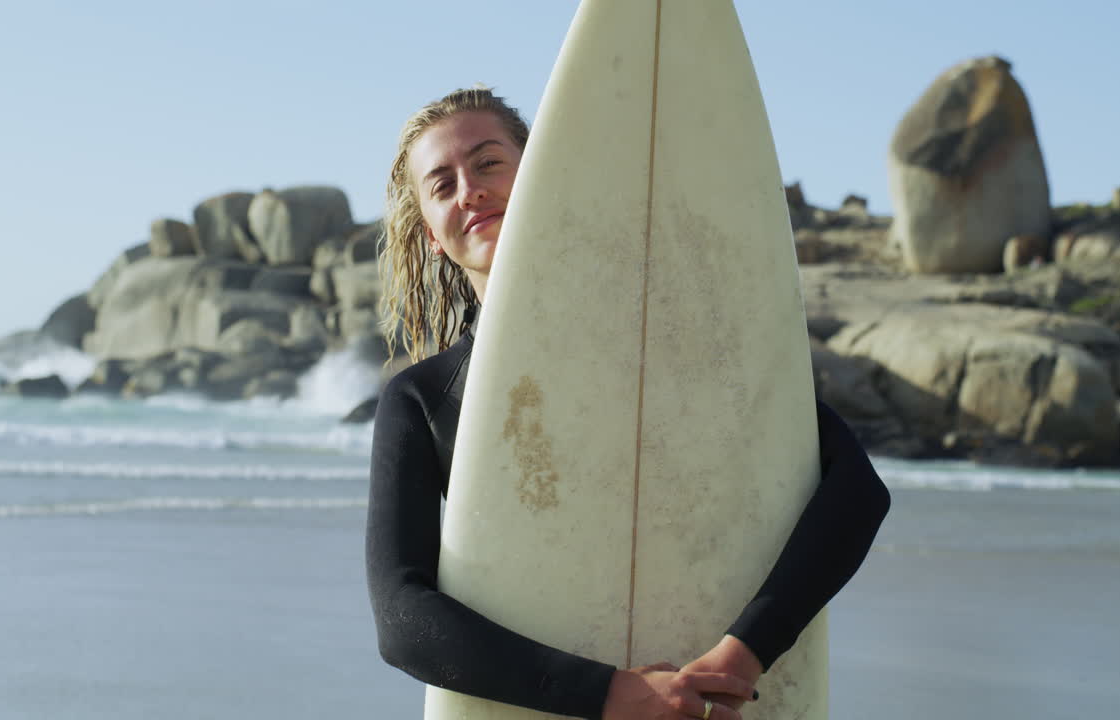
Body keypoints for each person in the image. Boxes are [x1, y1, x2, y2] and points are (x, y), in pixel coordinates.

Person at [366, 87, 891, 720]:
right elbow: (402, 615)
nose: (469, 190)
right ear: (432, 234)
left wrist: (742, 658)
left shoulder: (673, 347)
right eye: (441, 185)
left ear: (544, 175)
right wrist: (614, 695)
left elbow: (857, 490)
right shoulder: (421, 398)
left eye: (487, 163)